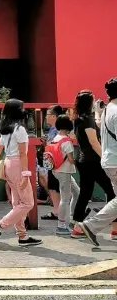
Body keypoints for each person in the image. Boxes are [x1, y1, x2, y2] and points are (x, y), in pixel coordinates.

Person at [0, 99, 42, 248]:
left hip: (7, 164)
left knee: (18, 202)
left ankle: (22, 236)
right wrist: (26, 174)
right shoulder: (20, 129)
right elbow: (23, 154)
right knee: (27, 203)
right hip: (17, 164)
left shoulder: (6, 130)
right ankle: (1, 225)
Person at [71, 89, 117, 238]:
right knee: (111, 192)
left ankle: (77, 225)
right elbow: (94, 142)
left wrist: (98, 113)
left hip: (83, 160)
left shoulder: (79, 119)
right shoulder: (87, 120)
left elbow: (93, 130)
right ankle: (115, 228)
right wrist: (103, 156)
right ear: (89, 102)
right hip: (94, 161)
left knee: (85, 193)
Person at [43, 115, 79, 236]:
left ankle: (72, 218)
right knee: (65, 198)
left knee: (77, 192)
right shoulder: (66, 141)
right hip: (65, 172)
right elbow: (70, 159)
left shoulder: (55, 138)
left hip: (55, 170)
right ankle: (61, 225)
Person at [39, 105, 65, 221]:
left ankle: (64, 212)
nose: (46, 117)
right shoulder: (52, 129)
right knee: (53, 187)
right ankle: (56, 211)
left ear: (54, 116)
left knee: (61, 187)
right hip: (51, 162)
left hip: (58, 163)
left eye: (48, 114)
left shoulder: (60, 129)